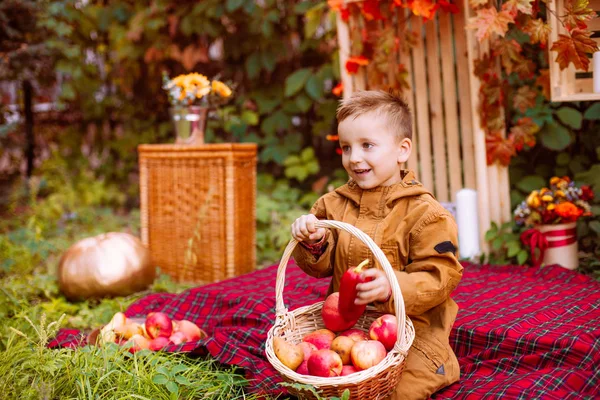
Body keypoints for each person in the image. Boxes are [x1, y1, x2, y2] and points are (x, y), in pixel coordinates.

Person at [291, 90, 463, 399]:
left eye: (367, 145)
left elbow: (441, 276)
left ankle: (440, 365)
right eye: (346, 147)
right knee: (313, 378)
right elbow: (319, 268)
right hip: (346, 327)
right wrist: (315, 243)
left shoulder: (426, 214)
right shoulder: (333, 204)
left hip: (411, 331)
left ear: (402, 150)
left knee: (397, 389)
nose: (354, 157)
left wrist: (391, 286)